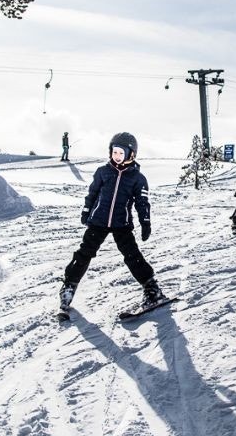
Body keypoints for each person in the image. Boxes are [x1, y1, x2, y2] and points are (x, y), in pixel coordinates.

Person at [57, 132, 163, 318]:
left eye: (121, 153)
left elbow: (142, 203)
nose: (117, 156)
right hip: (98, 221)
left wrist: (145, 222)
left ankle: (151, 288)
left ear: (131, 154)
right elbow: (92, 193)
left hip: (121, 224)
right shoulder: (103, 172)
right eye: (114, 152)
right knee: (84, 253)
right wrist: (86, 210)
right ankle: (68, 287)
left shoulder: (138, 178)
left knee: (132, 255)